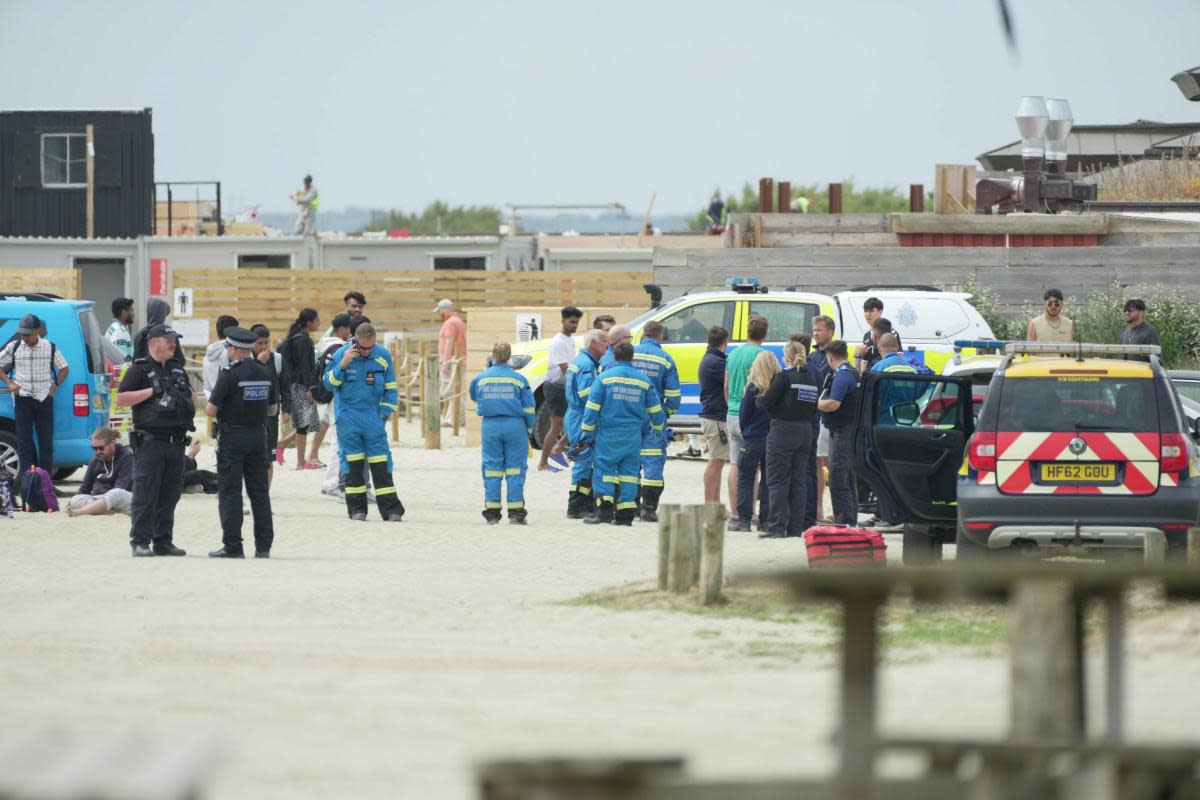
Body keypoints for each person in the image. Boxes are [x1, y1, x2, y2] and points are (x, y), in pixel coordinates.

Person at [117, 324, 195, 557]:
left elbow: (191, 396)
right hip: (151, 441)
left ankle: (163, 541)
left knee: (171, 494)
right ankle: (140, 541)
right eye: (168, 339)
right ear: (154, 343)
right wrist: (152, 392)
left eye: (174, 340)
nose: (173, 344)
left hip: (177, 441)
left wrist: (182, 393)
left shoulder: (177, 369)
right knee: (146, 493)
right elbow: (121, 398)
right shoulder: (138, 370)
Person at [204, 326, 277, 558]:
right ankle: (263, 547)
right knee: (259, 493)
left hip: (233, 437)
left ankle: (233, 546)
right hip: (258, 435)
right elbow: (273, 409)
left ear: (234, 349)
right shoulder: (265, 372)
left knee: (230, 492)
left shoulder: (229, 374)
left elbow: (209, 409)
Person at [323, 323, 405, 522]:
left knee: (381, 463)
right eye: (363, 348)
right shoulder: (342, 353)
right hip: (347, 418)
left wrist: (384, 414)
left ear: (375, 340)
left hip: (373, 418)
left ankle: (391, 510)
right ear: (355, 340)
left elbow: (391, 387)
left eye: (370, 347)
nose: (367, 352)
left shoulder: (383, 356)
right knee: (353, 465)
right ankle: (357, 510)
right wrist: (342, 364)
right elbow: (327, 384)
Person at [579, 341, 666, 526]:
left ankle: (603, 512)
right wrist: (658, 430)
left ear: (615, 357)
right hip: (633, 436)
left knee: (604, 470)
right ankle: (625, 516)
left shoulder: (604, 379)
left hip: (608, 434)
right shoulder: (643, 381)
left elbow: (592, 408)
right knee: (629, 473)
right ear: (632, 357)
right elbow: (656, 411)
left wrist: (586, 432)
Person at [756, 338, 819, 538]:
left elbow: (766, 403)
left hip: (783, 430)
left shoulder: (784, 377)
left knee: (777, 480)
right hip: (805, 431)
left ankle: (775, 527)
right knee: (799, 481)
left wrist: (758, 397)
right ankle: (795, 527)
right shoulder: (812, 377)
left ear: (787, 356)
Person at [469, 342, 536, 524]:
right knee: (516, 469)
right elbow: (529, 407)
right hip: (515, 426)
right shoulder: (519, 379)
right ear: (509, 357)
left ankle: (492, 514)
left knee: (492, 469)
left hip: (490, 426)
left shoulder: (481, 378)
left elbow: (475, 396)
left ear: (493, 356)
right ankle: (515, 514)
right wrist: (529, 429)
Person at [0, 314, 70, 479]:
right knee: (24, 443)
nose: (24, 337)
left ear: (37, 331)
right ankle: (28, 484)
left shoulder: (50, 347)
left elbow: (65, 368)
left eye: (27, 334)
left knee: (46, 444)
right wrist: (10, 383)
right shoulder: (14, 346)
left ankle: (44, 482)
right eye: (22, 334)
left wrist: (55, 386)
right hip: (22, 399)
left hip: (44, 399)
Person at [631, 320, 681, 522]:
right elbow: (674, 396)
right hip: (654, 417)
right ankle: (648, 510)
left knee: (630, 460)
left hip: (630, 415)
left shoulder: (630, 354)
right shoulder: (666, 359)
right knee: (653, 462)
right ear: (661, 336)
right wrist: (665, 412)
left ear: (643, 334)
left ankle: (629, 506)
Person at [728, 350, 778, 532]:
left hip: (752, 438)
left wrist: (747, 431)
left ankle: (744, 520)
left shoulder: (752, 388)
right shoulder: (777, 386)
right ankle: (765, 521)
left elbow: (744, 415)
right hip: (772, 438)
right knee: (768, 480)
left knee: (746, 478)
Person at [725, 315, 767, 517]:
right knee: (753, 465)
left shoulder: (733, 354)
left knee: (735, 463)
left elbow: (726, 386)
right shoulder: (761, 355)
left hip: (732, 412)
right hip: (751, 416)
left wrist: (731, 405)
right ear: (765, 334)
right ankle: (749, 509)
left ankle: (735, 511)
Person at [564, 329, 607, 518]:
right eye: (604, 341)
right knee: (583, 460)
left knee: (585, 459)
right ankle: (576, 506)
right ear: (592, 344)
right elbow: (586, 394)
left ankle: (583, 503)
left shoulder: (582, 362)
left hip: (575, 415)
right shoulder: (586, 366)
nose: (607, 345)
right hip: (581, 416)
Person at [817, 341, 860, 526]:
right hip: (849, 430)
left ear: (830, 357)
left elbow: (834, 403)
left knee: (838, 476)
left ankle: (843, 519)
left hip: (842, 432)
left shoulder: (842, 376)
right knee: (848, 476)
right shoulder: (854, 373)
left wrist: (817, 403)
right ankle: (850, 517)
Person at [276, 308, 322, 469]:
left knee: (307, 423)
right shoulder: (302, 341)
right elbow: (304, 367)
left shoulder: (299, 338)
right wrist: (310, 388)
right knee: (303, 425)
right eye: (317, 320)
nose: (319, 323)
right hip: (301, 386)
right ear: (309, 323)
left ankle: (282, 444)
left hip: (297, 385)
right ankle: (300, 462)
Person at [539, 306, 582, 472]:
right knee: (557, 424)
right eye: (571, 322)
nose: (574, 325)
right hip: (556, 387)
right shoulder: (558, 341)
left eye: (576, 322)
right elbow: (565, 368)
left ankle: (558, 448)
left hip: (564, 385)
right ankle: (544, 461)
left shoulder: (570, 340)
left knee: (573, 419)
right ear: (563, 321)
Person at [311, 314, 353, 478]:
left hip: (322, 389)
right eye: (349, 329)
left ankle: (313, 455)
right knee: (337, 435)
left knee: (325, 421)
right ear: (342, 329)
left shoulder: (322, 343)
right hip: (335, 391)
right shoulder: (339, 347)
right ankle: (333, 479)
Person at [66, 427, 133, 517]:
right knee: (76, 500)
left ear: (112, 443)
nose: (98, 452)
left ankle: (81, 512)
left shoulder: (127, 457)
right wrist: (71, 502)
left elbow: (121, 487)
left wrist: (103, 497)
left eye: (101, 448)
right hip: (100, 499)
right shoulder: (95, 460)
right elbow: (85, 488)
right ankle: (103, 510)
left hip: (121, 498)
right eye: (94, 448)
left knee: (116, 493)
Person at [250, 324, 287, 488]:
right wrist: (258, 364)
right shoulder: (245, 360)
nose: (264, 347)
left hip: (270, 416)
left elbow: (285, 385)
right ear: (252, 342)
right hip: (248, 417)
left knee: (268, 458)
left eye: (267, 342)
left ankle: (264, 493)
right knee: (249, 458)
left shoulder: (277, 360)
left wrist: (287, 409)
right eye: (260, 343)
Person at [808, 316, 836, 529]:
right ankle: (818, 510)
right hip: (813, 417)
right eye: (814, 330)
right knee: (817, 463)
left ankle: (837, 510)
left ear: (830, 331)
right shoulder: (812, 356)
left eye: (819, 330)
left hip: (828, 417)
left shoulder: (834, 355)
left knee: (830, 464)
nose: (815, 333)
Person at [699, 325, 730, 503]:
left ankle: (715, 504)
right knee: (716, 462)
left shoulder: (710, 358)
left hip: (712, 415)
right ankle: (709, 505)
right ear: (725, 342)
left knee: (718, 462)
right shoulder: (717, 363)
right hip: (716, 417)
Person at [436, 298, 467, 425]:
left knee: (450, 392)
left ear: (445, 309)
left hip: (453, 361)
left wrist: (445, 362)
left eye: (440, 310)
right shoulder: (458, 321)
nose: (439, 313)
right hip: (459, 360)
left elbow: (449, 342)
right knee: (455, 391)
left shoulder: (450, 323)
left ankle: (465, 414)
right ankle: (451, 419)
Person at [132, 298, 185, 367]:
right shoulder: (169, 334)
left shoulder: (139, 335)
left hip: (141, 375)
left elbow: (135, 361)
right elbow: (180, 361)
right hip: (165, 375)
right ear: (162, 315)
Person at [202, 315, 240, 400]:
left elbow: (206, 384)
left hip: (212, 400)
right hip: (230, 401)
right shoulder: (233, 352)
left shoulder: (208, 354)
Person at [855, 297, 884, 372]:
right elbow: (865, 362)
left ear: (880, 312)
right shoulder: (866, 335)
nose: (868, 314)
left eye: (871, 311)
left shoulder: (890, 333)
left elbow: (899, 356)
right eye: (865, 311)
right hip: (870, 378)